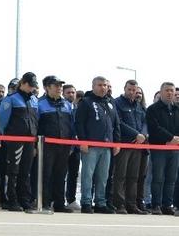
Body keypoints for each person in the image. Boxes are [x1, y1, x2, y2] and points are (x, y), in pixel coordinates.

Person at [75, 76, 121, 213]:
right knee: (87, 176)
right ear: (93, 86)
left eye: (105, 85)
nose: (103, 88)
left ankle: (100, 203)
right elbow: (79, 123)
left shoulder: (110, 103)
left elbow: (116, 124)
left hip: (107, 146)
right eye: (100, 85)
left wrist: (116, 143)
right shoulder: (86, 102)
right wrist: (83, 140)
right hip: (90, 146)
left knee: (103, 176)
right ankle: (86, 202)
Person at [0, 72, 39, 211]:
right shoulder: (11, 99)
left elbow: (35, 120)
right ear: (23, 83)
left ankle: (24, 199)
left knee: (25, 171)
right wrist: (3, 138)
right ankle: (11, 199)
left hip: (29, 140)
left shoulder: (33, 100)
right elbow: (2, 120)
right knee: (13, 171)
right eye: (30, 85)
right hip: (15, 140)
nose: (32, 88)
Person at [36, 76, 76, 212]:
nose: (59, 88)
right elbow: (35, 125)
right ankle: (45, 202)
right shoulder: (39, 104)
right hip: (46, 146)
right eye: (56, 85)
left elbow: (71, 125)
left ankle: (59, 203)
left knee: (60, 174)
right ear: (47, 87)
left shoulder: (67, 104)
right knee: (45, 174)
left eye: (60, 85)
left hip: (64, 146)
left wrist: (71, 144)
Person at [112, 80, 148, 214]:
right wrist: (136, 134)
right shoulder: (117, 103)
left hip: (138, 145)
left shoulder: (139, 106)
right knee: (120, 175)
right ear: (124, 89)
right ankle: (119, 204)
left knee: (134, 177)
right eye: (130, 89)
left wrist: (143, 135)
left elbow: (145, 122)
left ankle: (131, 205)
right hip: (124, 144)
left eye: (134, 90)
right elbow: (118, 122)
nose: (132, 92)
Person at [145, 82, 179, 215]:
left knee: (171, 178)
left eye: (172, 90)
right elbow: (154, 128)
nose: (170, 93)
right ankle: (156, 205)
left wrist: (175, 140)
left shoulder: (177, 109)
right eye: (167, 90)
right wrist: (170, 138)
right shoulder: (153, 109)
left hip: (175, 149)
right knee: (158, 178)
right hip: (159, 148)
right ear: (161, 92)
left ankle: (167, 205)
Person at [62, 84, 81, 210]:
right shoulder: (62, 107)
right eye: (68, 92)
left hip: (76, 147)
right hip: (63, 146)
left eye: (73, 92)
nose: (71, 94)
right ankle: (57, 198)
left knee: (73, 174)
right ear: (63, 94)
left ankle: (71, 199)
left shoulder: (78, 109)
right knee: (60, 174)